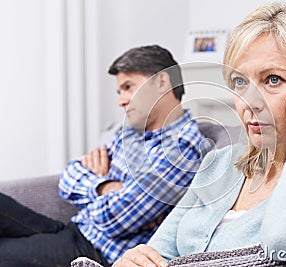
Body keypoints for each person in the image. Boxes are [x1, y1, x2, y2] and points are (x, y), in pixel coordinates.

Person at [113, 4, 286, 266]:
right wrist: (134, 259)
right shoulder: (218, 163)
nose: (249, 102)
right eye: (240, 82)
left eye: (273, 80)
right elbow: (157, 253)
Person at [0, 45, 210, 266]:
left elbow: (116, 220)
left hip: (96, 251)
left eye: (128, 87)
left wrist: (94, 186)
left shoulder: (182, 148)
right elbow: (69, 177)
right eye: (120, 92)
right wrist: (106, 187)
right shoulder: (132, 131)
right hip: (76, 229)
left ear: (162, 82)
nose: (121, 100)